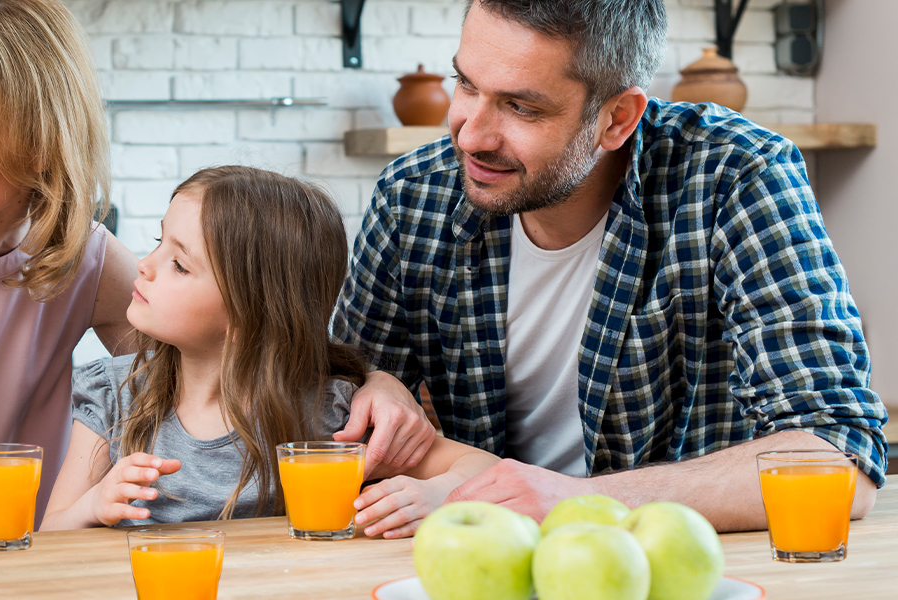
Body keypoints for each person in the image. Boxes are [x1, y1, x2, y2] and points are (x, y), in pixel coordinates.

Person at [0, 0, 434, 520]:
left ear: (41, 142)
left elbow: (228, 337)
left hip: (18, 557)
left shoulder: (77, 256)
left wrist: (375, 386)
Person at [332, 0, 888, 532]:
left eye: (522, 107)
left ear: (618, 118)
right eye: (467, 84)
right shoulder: (412, 197)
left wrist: (579, 502)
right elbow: (333, 412)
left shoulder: (736, 176)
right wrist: (376, 383)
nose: (471, 134)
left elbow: (837, 452)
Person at [40, 167, 499, 538]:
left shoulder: (330, 417)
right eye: (160, 243)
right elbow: (49, 534)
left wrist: (439, 494)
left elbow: (484, 467)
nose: (144, 264)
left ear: (246, 315)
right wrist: (93, 506)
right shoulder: (114, 394)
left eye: (179, 264)